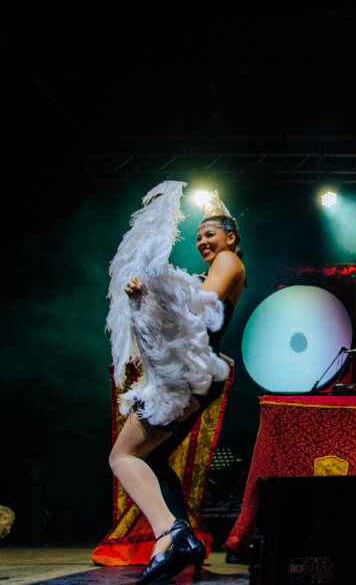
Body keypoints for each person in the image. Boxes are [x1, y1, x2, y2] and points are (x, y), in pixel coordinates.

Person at [106, 182, 245, 584]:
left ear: (231, 237)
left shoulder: (229, 262)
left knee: (122, 457)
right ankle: (177, 542)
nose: (202, 240)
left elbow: (198, 312)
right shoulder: (221, 264)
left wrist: (155, 292)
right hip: (195, 371)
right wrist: (148, 295)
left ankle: (173, 533)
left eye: (210, 234)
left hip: (187, 371)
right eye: (199, 236)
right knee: (150, 457)